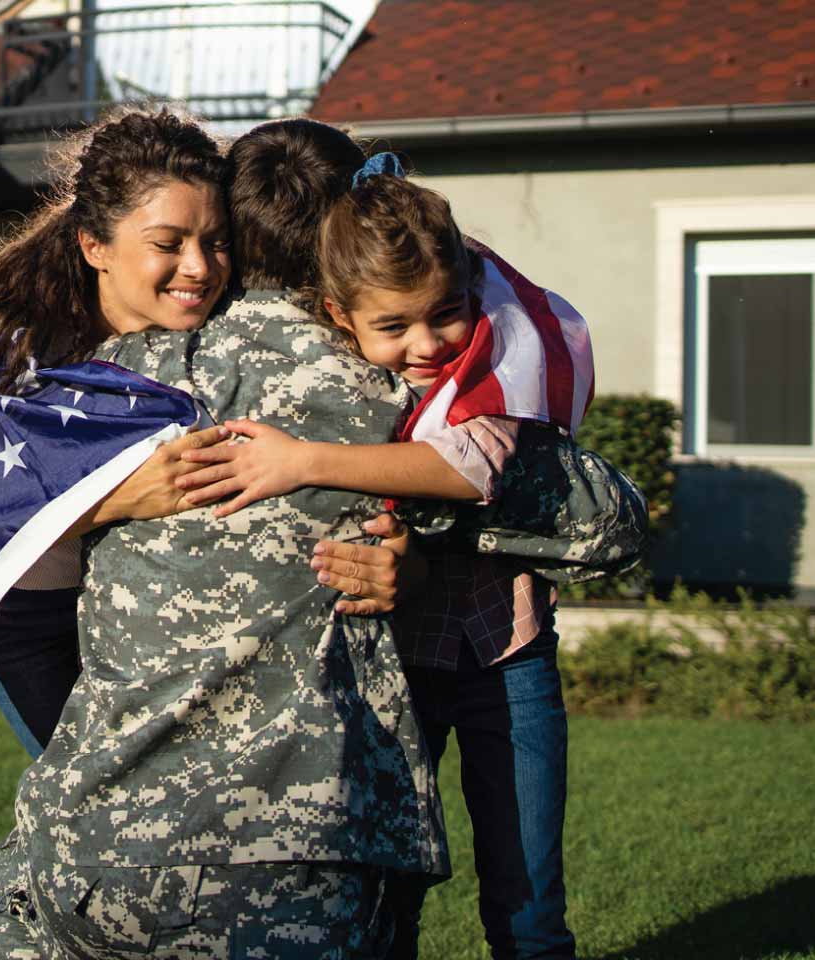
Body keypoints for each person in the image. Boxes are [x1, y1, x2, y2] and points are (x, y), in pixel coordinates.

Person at [0, 118, 647, 958]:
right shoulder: (398, 386)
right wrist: (426, 508)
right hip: (297, 878)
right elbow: (608, 523)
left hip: (76, 869)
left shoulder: (97, 388)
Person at [173, 163, 597, 959]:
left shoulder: (491, 375)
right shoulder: (338, 383)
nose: (428, 344)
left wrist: (303, 462)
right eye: (395, 326)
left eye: (446, 315)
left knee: (529, 896)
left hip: (506, 654)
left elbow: (468, 467)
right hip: (395, 667)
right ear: (341, 317)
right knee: (387, 894)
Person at [0, 109, 416, 758]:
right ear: (95, 246)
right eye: (167, 243)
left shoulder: (231, 330)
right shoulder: (32, 350)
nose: (199, 268)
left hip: (150, 621)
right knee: (87, 812)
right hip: (31, 617)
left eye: (215, 241)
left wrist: (393, 553)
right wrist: (121, 498)